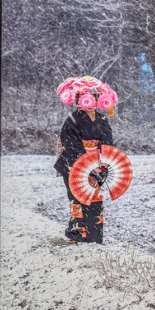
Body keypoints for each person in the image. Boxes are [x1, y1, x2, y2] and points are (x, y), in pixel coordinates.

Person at [54, 76, 119, 244]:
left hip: (96, 165)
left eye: (95, 96)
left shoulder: (102, 120)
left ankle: (94, 236)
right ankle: (77, 235)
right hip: (74, 165)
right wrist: (89, 166)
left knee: (95, 199)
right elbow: (72, 146)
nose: (93, 100)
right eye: (87, 97)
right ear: (79, 99)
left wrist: (103, 167)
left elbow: (107, 144)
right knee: (78, 198)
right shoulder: (72, 121)